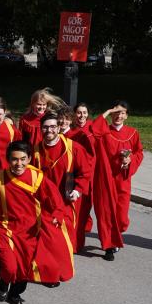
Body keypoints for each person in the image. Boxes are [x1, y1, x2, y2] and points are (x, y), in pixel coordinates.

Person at [0, 141, 74, 304]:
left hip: (30, 230)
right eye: (14, 159)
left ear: (29, 158)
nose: (18, 163)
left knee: (25, 267)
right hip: (4, 228)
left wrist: (57, 213)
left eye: (23, 159)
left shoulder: (38, 177)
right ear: (8, 159)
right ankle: (4, 282)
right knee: (9, 266)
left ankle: (15, 293)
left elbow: (54, 198)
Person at [90, 101, 143, 261]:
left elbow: (139, 152)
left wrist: (130, 160)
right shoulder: (105, 132)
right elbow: (94, 128)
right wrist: (107, 110)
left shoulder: (133, 133)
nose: (118, 116)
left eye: (122, 113)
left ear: (126, 116)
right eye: (116, 112)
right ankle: (109, 246)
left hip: (123, 179)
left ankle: (117, 235)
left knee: (121, 215)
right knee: (106, 213)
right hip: (106, 179)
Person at [31, 113, 92, 252]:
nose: (49, 130)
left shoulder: (73, 148)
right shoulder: (35, 151)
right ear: (41, 129)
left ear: (59, 127)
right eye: (45, 127)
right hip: (45, 201)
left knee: (65, 238)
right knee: (45, 238)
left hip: (67, 200)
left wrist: (78, 190)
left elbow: (85, 172)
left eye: (53, 126)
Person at [60, 107, 96, 252]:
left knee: (77, 216)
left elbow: (88, 160)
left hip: (74, 180)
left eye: (66, 119)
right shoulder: (52, 134)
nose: (63, 122)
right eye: (60, 119)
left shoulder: (78, 135)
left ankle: (75, 245)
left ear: (71, 120)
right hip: (59, 180)